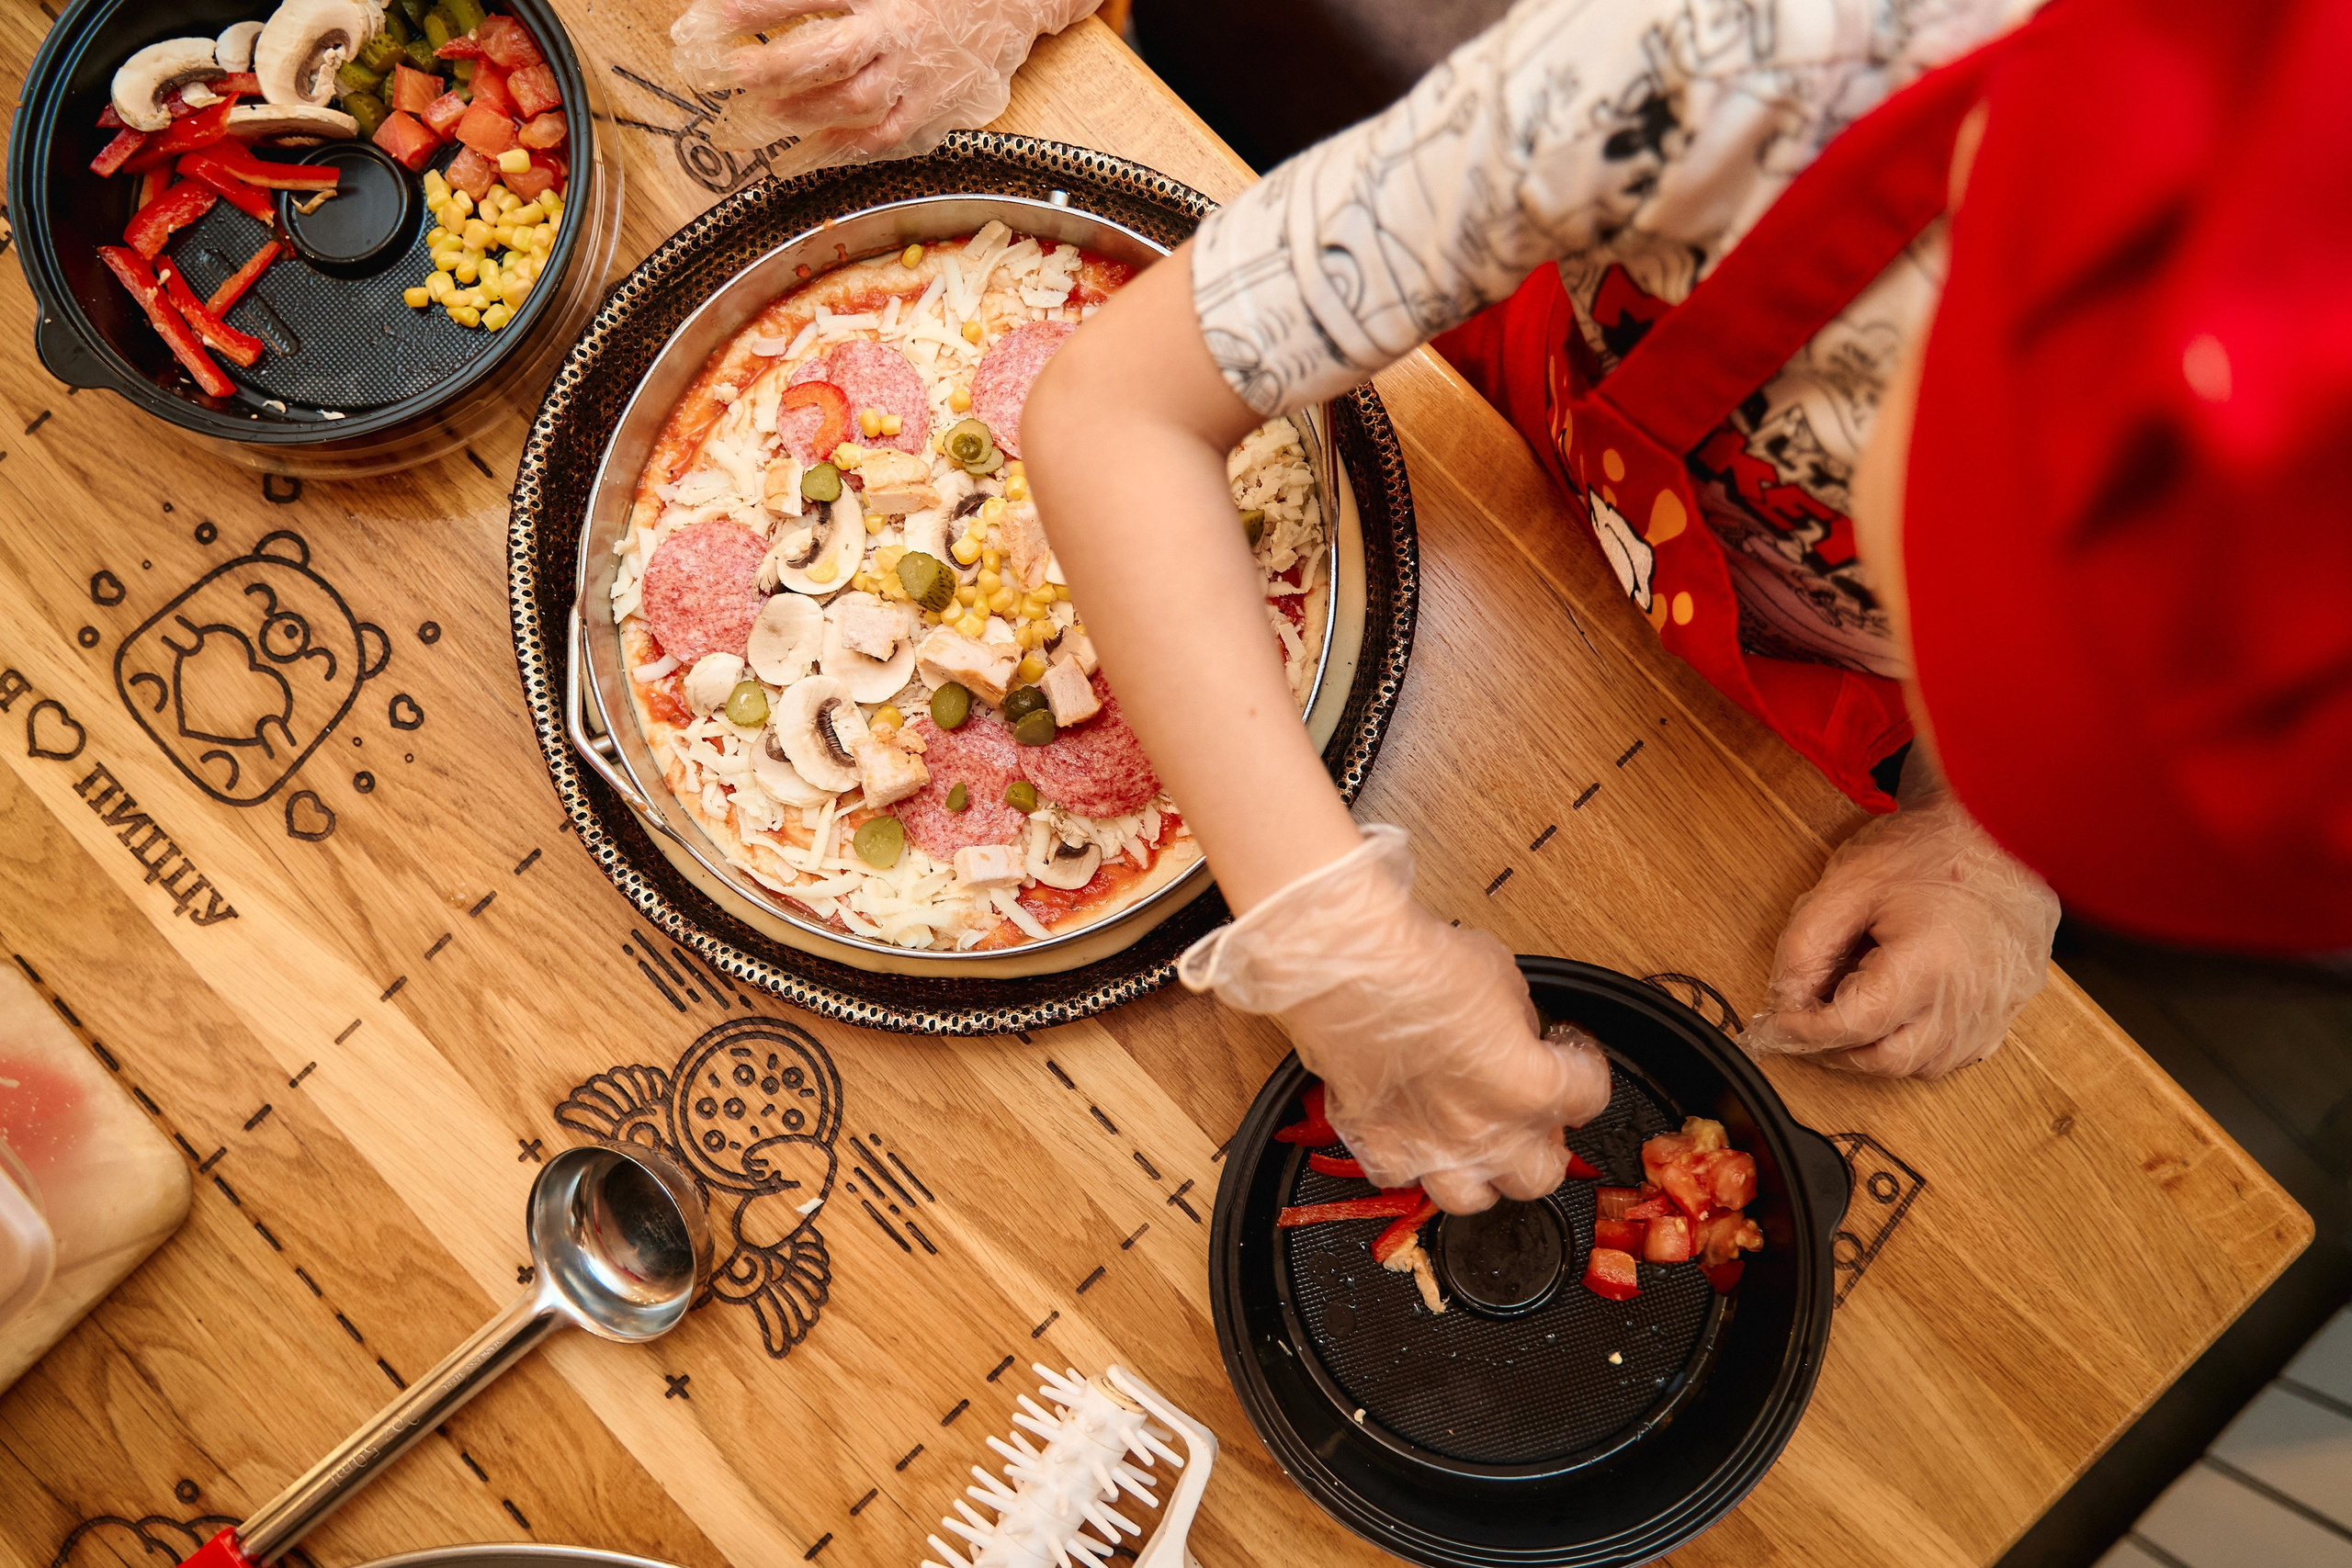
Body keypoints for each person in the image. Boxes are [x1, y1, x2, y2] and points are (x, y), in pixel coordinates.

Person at [692, 0, 2352, 1211]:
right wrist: (1335, 946)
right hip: (1507, 436)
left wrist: (1995, 839)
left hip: (1789, 730)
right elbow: (1115, 409)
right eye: (2001, 613)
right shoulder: (1747, 53)